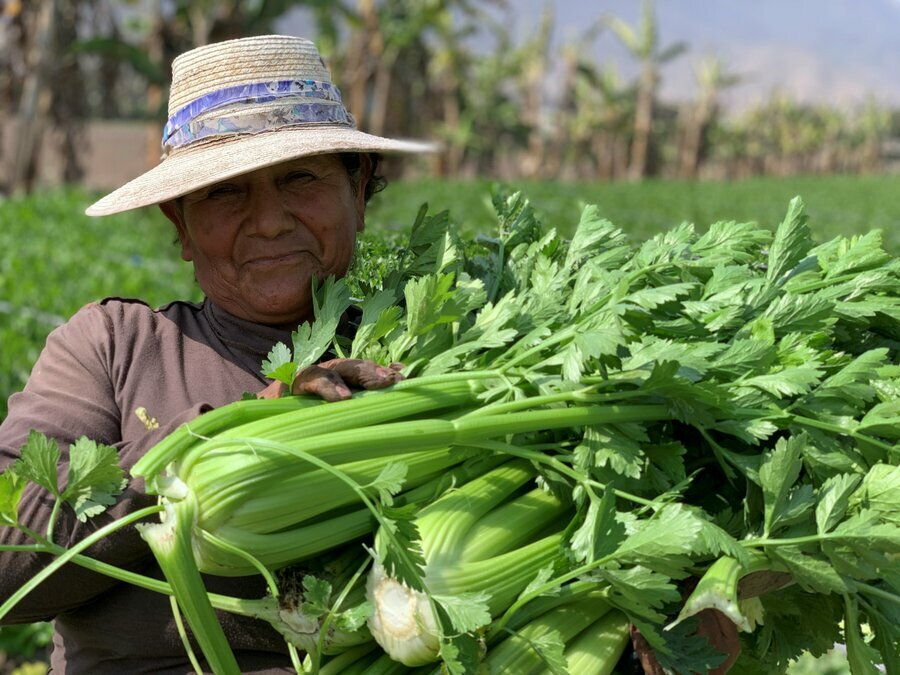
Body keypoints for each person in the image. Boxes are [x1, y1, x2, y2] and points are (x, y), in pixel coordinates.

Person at [0, 34, 433, 673]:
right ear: (180, 223)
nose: (268, 220)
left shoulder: (426, 355)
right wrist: (212, 442)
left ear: (359, 187)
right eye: (226, 191)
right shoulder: (114, 347)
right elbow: (10, 560)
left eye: (300, 177)